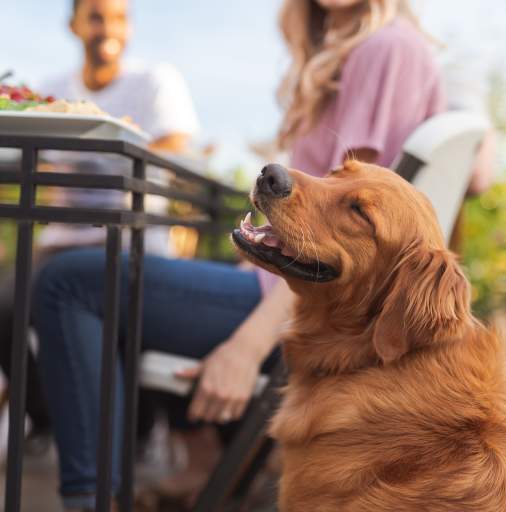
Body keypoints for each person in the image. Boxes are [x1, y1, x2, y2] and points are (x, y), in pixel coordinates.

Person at [33, 0, 445, 509]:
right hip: (276, 286)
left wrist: (248, 346)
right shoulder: (372, 47)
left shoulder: (386, 48)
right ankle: (197, 461)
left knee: (68, 283)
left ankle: (94, 500)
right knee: (123, 279)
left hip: (290, 307)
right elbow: (474, 173)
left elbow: (354, 240)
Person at [0, 0, 199, 458]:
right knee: (6, 308)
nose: (107, 26)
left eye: (118, 16)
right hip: (63, 240)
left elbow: (175, 150)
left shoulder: (154, 81)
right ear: (73, 25)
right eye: (95, 14)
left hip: (134, 235)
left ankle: (135, 434)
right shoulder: (49, 90)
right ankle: (49, 419)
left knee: (121, 320)